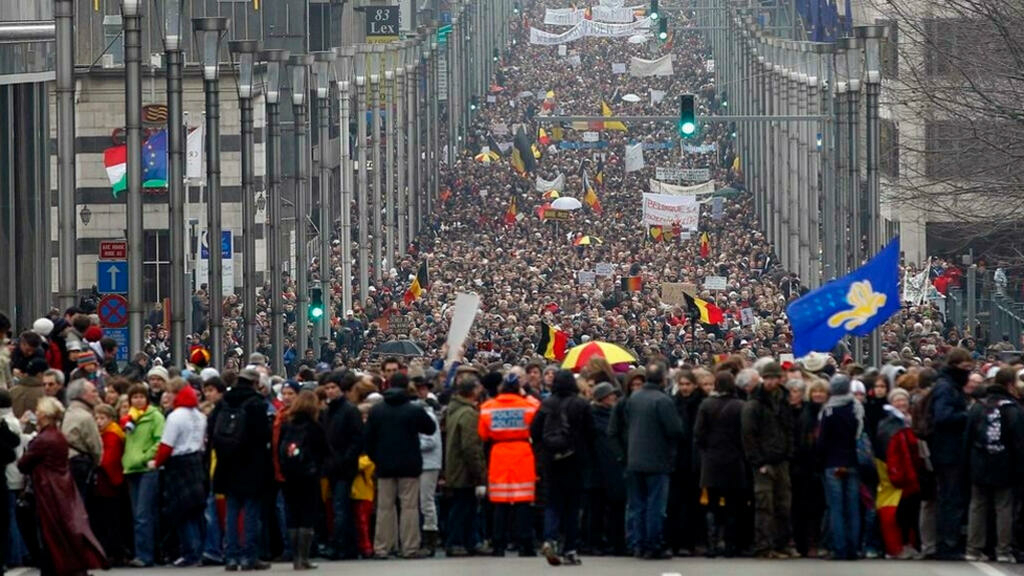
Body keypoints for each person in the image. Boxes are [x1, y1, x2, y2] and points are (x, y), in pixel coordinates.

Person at [18, 397, 107, 575]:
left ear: (43, 415)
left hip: (47, 489)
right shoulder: (58, 436)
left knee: (49, 534)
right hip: (61, 486)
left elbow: (23, 464)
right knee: (63, 531)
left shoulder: (44, 439)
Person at [610, 360, 683, 559]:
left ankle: (637, 543)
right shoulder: (663, 400)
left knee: (636, 505)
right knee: (655, 506)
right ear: (662, 378)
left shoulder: (632, 400)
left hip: (634, 458)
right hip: (657, 460)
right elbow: (675, 429)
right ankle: (654, 543)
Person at [364, 372, 436, 559]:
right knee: (409, 507)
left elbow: (368, 439)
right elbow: (430, 428)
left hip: (384, 464)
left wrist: (376, 457)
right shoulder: (413, 409)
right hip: (409, 463)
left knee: (384, 507)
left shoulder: (377, 410)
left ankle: (382, 547)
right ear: (407, 387)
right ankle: (409, 547)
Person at [208, 368, 272, 571]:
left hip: (227, 463)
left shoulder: (224, 401)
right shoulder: (256, 403)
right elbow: (263, 435)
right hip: (251, 464)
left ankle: (231, 556)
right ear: (255, 383)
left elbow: (212, 429)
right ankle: (249, 556)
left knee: (232, 511)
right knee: (251, 512)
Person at [963, 367, 1024, 563]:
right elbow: (1019, 442)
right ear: (1010, 385)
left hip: (979, 461)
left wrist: (967, 462)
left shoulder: (979, 406)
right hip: (1004, 463)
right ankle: (1003, 550)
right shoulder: (1012, 409)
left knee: (977, 506)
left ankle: (973, 548)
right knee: (1004, 507)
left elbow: (968, 437)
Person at [532, 370, 592, 566]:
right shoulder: (581, 404)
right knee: (573, 506)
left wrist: (542, 452)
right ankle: (570, 548)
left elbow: (534, 430)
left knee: (553, 502)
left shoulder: (546, 403)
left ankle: (550, 539)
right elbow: (591, 432)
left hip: (551, 459)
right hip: (575, 459)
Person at [478, 371, 539, 557]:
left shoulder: (488, 407)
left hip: (499, 455)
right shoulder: (528, 406)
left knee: (500, 503)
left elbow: (483, 435)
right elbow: (538, 416)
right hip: (522, 454)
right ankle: (525, 544)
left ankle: (498, 545)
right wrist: (525, 394)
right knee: (523, 501)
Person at [741, 361, 795, 558]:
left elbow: (789, 429)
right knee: (765, 505)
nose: (772, 382)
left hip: (781, 460)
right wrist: (758, 462)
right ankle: (764, 546)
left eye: (775, 378)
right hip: (763, 462)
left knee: (783, 504)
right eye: (769, 378)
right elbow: (748, 436)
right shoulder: (754, 404)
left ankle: (782, 544)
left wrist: (788, 453)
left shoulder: (783, 400)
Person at [151, 379, 207, 567]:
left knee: (182, 511)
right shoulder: (199, 415)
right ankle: (199, 550)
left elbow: (167, 445)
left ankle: (189, 552)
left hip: (178, 463)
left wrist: (156, 463)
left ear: (176, 393)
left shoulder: (176, 416)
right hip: (196, 461)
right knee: (196, 510)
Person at [693, 370, 746, 558]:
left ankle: (712, 544)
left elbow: (698, 434)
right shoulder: (740, 406)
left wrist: (706, 451)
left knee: (712, 506)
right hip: (734, 461)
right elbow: (744, 435)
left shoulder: (706, 405)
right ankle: (730, 544)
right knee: (733, 505)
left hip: (711, 461)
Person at [930, 348, 972, 559]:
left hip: (949, 449)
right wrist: (967, 415)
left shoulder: (948, 385)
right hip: (948, 450)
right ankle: (948, 542)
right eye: (965, 368)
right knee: (950, 497)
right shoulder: (947, 388)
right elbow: (943, 416)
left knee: (949, 496)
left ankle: (948, 540)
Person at [278, 390, 327, 570]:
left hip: (290, 475)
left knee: (292, 515)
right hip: (309, 475)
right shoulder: (315, 427)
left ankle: (295, 556)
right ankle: (303, 558)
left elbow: (279, 449)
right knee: (307, 515)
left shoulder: (287, 424)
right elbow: (323, 450)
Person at [817, 374, 863, 561]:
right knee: (852, 507)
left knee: (836, 507)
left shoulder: (828, 411)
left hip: (833, 463)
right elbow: (859, 433)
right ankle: (853, 547)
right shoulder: (856, 408)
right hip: (852, 460)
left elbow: (822, 440)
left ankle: (839, 548)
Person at [121, 382, 165, 568]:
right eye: (135, 397)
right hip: (131, 469)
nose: (138, 401)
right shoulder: (129, 419)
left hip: (146, 468)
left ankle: (145, 555)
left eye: (141, 397)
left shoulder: (155, 416)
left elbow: (159, 440)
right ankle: (150, 553)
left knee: (143, 515)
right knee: (139, 515)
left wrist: (145, 457)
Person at [443, 374, 487, 557]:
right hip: (464, 470)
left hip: (455, 467)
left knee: (464, 507)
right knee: (463, 508)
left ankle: (468, 541)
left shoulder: (455, 409)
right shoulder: (468, 413)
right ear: (472, 392)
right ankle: (456, 542)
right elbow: (470, 446)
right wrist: (480, 472)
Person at [322, 371, 363, 560]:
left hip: (344, 467)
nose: (329, 391)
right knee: (339, 507)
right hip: (332, 466)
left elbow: (356, 439)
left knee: (341, 507)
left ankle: (342, 545)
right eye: (327, 388)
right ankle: (342, 544)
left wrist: (345, 459)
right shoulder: (328, 411)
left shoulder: (349, 410)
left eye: (333, 388)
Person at [586, 381, 626, 556]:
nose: (614, 397)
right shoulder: (592, 417)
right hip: (596, 468)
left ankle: (615, 541)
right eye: (611, 395)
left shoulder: (615, 414)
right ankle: (595, 542)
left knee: (616, 506)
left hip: (613, 467)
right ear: (602, 398)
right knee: (596, 508)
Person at [93, 403, 128, 566]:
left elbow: (109, 460)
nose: (99, 422)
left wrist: (96, 462)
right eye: (97, 418)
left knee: (111, 520)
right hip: (105, 482)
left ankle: (115, 553)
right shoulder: (103, 434)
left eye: (102, 418)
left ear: (110, 419)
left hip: (110, 482)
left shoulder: (112, 435)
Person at [61, 379, 103, 504]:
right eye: (93, 391)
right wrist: (96, 463)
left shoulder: (66, 413)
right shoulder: (86, 417)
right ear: (83, 395)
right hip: (80, 465)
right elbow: (96, 448)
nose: (97, 394)